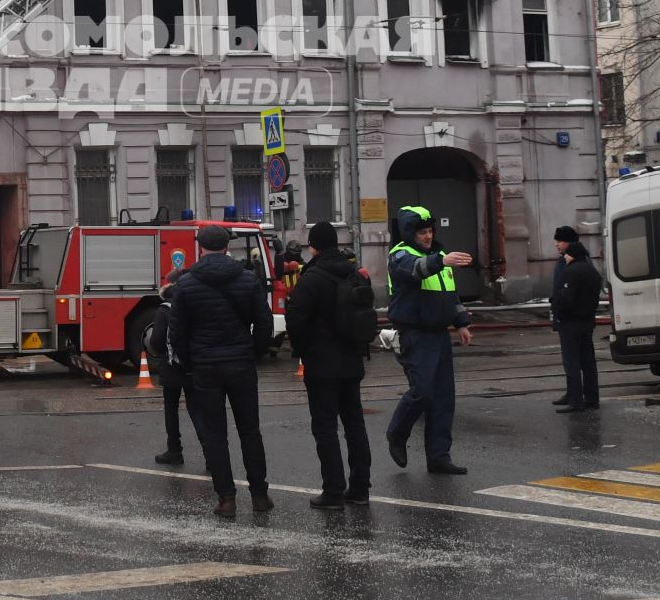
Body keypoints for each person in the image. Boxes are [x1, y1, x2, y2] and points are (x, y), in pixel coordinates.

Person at [168, 223, 273, 519]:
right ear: (228, 247)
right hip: (241, 363)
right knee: (250, 430)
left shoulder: (186, 285)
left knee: (215, 434)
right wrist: (254, 352)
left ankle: (226, 499)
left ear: (200, 248)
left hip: (205, 367)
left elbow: (177, 334)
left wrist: (191, 362)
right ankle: (260, 495)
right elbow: (264, 323)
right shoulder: (248, 280)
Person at [285, 221, 376, 509]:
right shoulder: (354, 272)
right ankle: (360, 488)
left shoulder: (312, 278)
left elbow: (296, 320)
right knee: (355, 425)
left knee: (325, 428)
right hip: (352, 361)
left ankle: (334, 491)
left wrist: (303, 352)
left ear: (314, 246)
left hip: (322, 366)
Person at [385, 204, 475, 475]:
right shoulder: (401, 255)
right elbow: (416, 270)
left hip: (438, 334)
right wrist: (441, 261)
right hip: (415, 334)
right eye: (422, 232)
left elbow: (450, 294)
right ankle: (397, 434)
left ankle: (439, 457)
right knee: (422, 392)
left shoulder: (438, 255)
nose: (427, 236)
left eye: (430, 231)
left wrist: (461, 323)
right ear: (410, 233)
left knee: (443, 398)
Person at [149, 271, 200, 466]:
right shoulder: (195, 305)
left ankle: (174, 451)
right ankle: (209, 453)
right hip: (193, 365)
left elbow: (156, 340)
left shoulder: (165, 309)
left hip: (171, 367)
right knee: (197, 408)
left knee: (171, 408)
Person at [550, 236, 603, 412]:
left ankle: (575, 400)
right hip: (587, 322)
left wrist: (558, 312)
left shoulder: (571, 272)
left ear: (572, 255)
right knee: (588, 362)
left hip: (571, 323)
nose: (564, 257)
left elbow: (566, 300)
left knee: (571, 362)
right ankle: (592, 398)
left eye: (566, 254)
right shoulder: (592, 272)